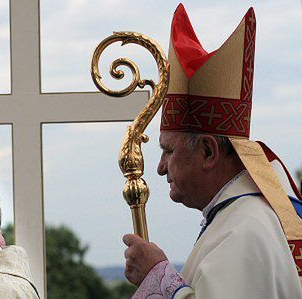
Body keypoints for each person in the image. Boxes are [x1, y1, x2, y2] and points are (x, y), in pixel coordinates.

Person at [123, 4, 302, 298]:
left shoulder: (245, 230)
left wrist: (157, 278)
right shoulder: (236, 219)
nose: (160, 167)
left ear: (208, 151)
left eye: (168, 151)